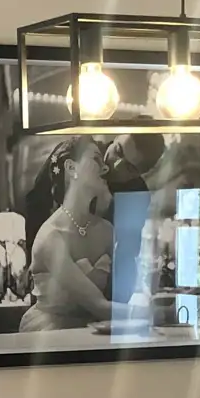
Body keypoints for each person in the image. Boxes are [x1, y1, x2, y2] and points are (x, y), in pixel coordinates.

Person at [20, 142, 120, 331]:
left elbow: (122, 294)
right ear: (72, 168)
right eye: (96, 159)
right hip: (51, 333)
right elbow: (99, 306)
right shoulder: (51, 236)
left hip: (96, 331)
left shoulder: (107, 231)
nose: (106, 168)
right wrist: (154, 314)